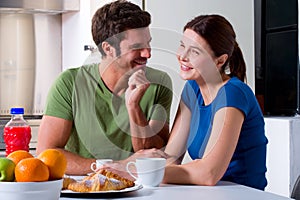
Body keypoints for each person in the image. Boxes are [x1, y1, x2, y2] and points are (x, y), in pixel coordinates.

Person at [105, 14, 268, 190]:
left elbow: (209, 174)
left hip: (243, 194)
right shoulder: (192, 89)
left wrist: (137, 171)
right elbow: (171, 158)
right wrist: (125, 164)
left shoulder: (233, 93)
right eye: (182, 46)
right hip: (212, 193)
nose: (183, 56)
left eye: (195, 51)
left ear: (220, 60)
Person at [36, 0, 173, 175]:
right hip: (84, 189)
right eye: (137, 47)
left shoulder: (159, 82)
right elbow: (45, 155)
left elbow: (155, 154)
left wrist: (134, 107)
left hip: (140, 188)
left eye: (148, 43)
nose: (147, 53)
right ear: (108, 48)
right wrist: (114, 166)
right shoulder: (69, 83)